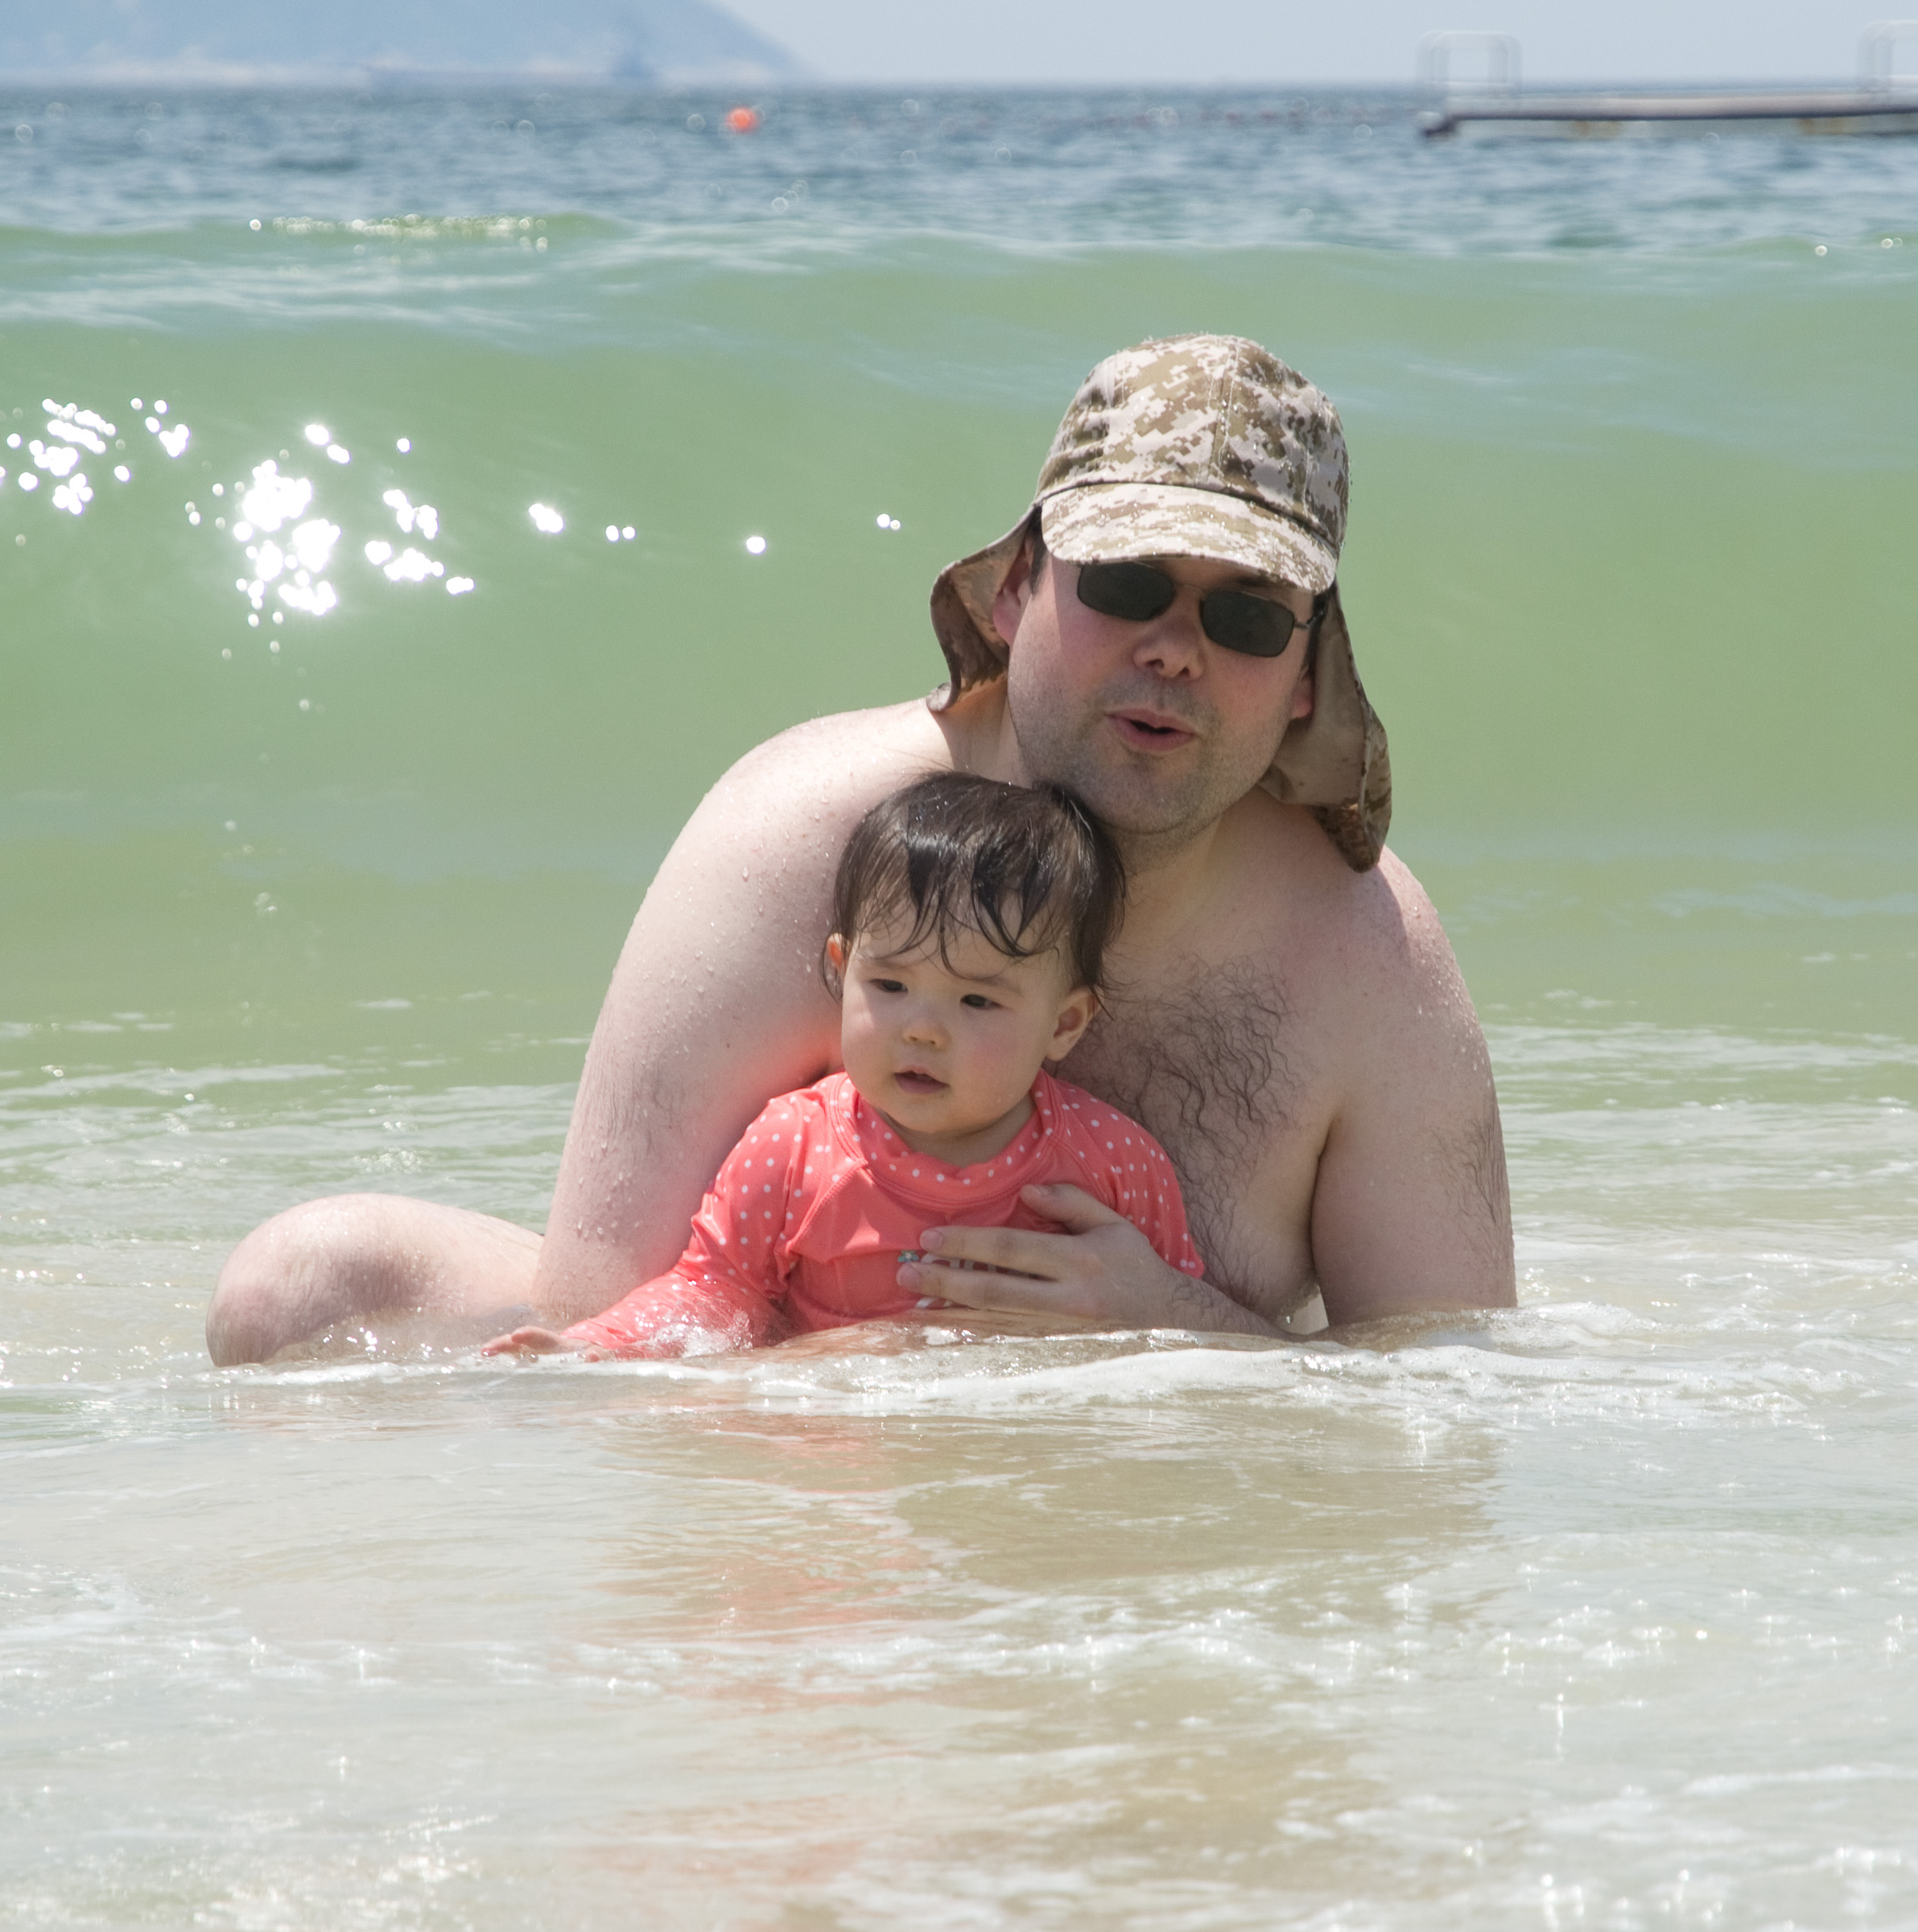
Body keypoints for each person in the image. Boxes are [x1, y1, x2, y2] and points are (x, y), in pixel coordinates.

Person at [207, 332, 1513, 1361]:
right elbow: (614, 1322)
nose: (1174, 649)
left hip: (1146, 1514)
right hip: (807, 1461)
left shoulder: (1364, 953)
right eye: (1125, 585)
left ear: (1307, 676)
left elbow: (1449, 1403)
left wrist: (1171, 1327)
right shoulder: (795, 839)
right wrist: (866, 1396)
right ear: (1017, 589)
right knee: (301, 1288)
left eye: (1246, 615)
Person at [492, 772, 1198, 1353]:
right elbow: (713, 1292)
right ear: (842, 967)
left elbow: (1177, 1318)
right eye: (889, 986)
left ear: (1064, 1024)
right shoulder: (795, 1147)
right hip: (844, 1447)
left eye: (977, 1001)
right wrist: (602, 1345)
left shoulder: (1112, 1162)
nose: (922, 1031)